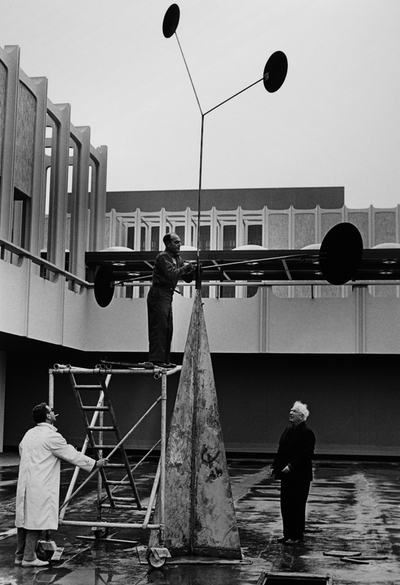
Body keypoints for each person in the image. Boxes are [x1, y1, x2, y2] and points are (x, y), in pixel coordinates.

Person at [15, 402, 108, 567]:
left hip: (26, 481)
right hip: (40, 482)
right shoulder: (51, 436)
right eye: (51, 411)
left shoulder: (29, 433)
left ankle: (19, 556)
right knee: (35, 520)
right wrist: (94, 463)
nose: (54, 413)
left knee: (23, 520)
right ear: (47, 416)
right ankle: (29, 558)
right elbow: (70, 454)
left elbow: (22, 449)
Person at [270, 401, 316, 545]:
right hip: (287, 476)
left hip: (299, 477)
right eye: (291, 410)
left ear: (301, 416)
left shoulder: (307, 433)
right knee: (286, 505)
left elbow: (306, 454)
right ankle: (287, 534)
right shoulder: (288, 430)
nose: (291, 413)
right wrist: (275, 466)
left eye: (294, 411)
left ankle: (296, 536)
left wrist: (291, 466)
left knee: (297, 506)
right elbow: (281, 450)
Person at [146, 232, 196, 367]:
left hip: (167, 296)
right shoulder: (163, 257)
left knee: (168, 328)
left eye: (179, 242)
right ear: (168, 244)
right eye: (176, 242)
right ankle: (156, 359)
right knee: (159, 326)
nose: (179, 244)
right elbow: (171, 274)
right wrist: (186, 268)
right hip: (158, 294)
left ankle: (164, 360)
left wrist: (194, 271)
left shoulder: (177, 258)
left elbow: (186, 278)